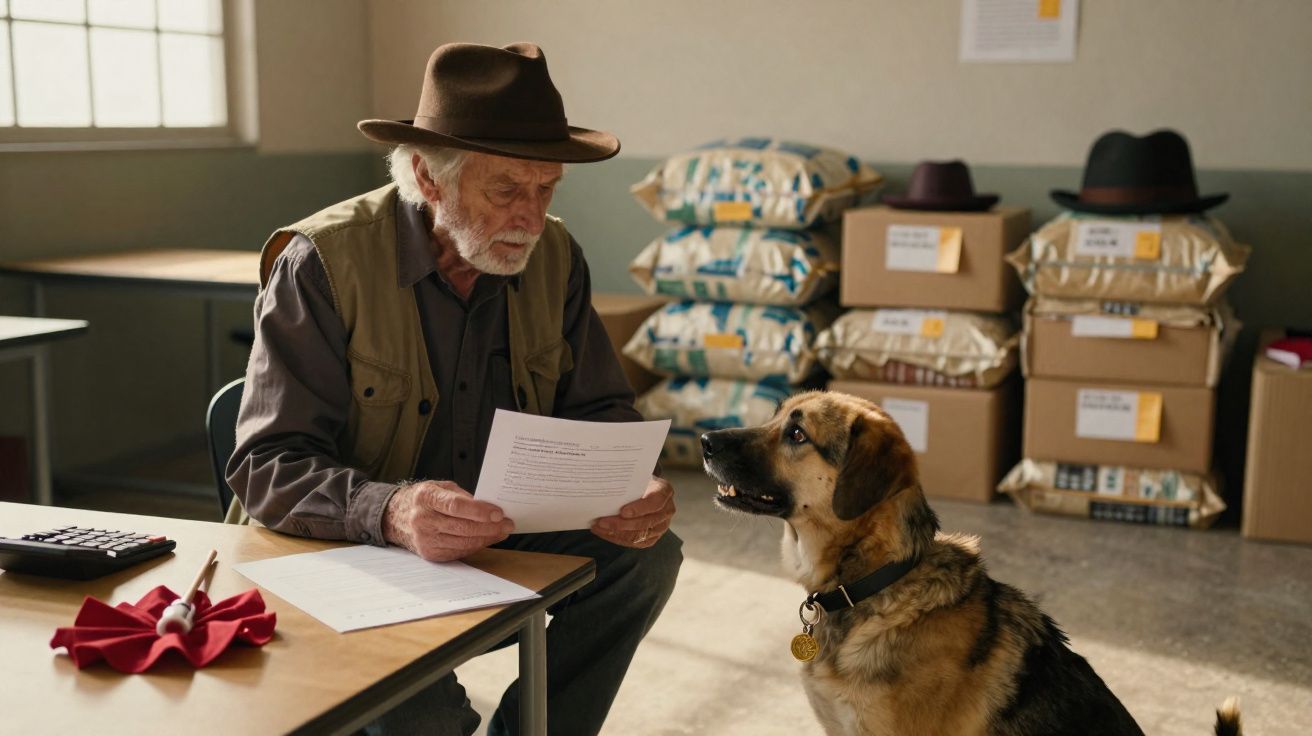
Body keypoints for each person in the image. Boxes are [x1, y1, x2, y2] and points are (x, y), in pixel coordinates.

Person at [226, 41, 682, 736]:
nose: (531, 217)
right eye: (506, 190)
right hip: (345, 547)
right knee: (430, 719)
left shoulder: (556, 256)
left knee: (648, 557)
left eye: (546, 189)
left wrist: (632, 482)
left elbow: (598, 409)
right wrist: (391, 510)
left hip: (488, 530)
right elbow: (267, 466)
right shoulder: (321, 263)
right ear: (427, 176)